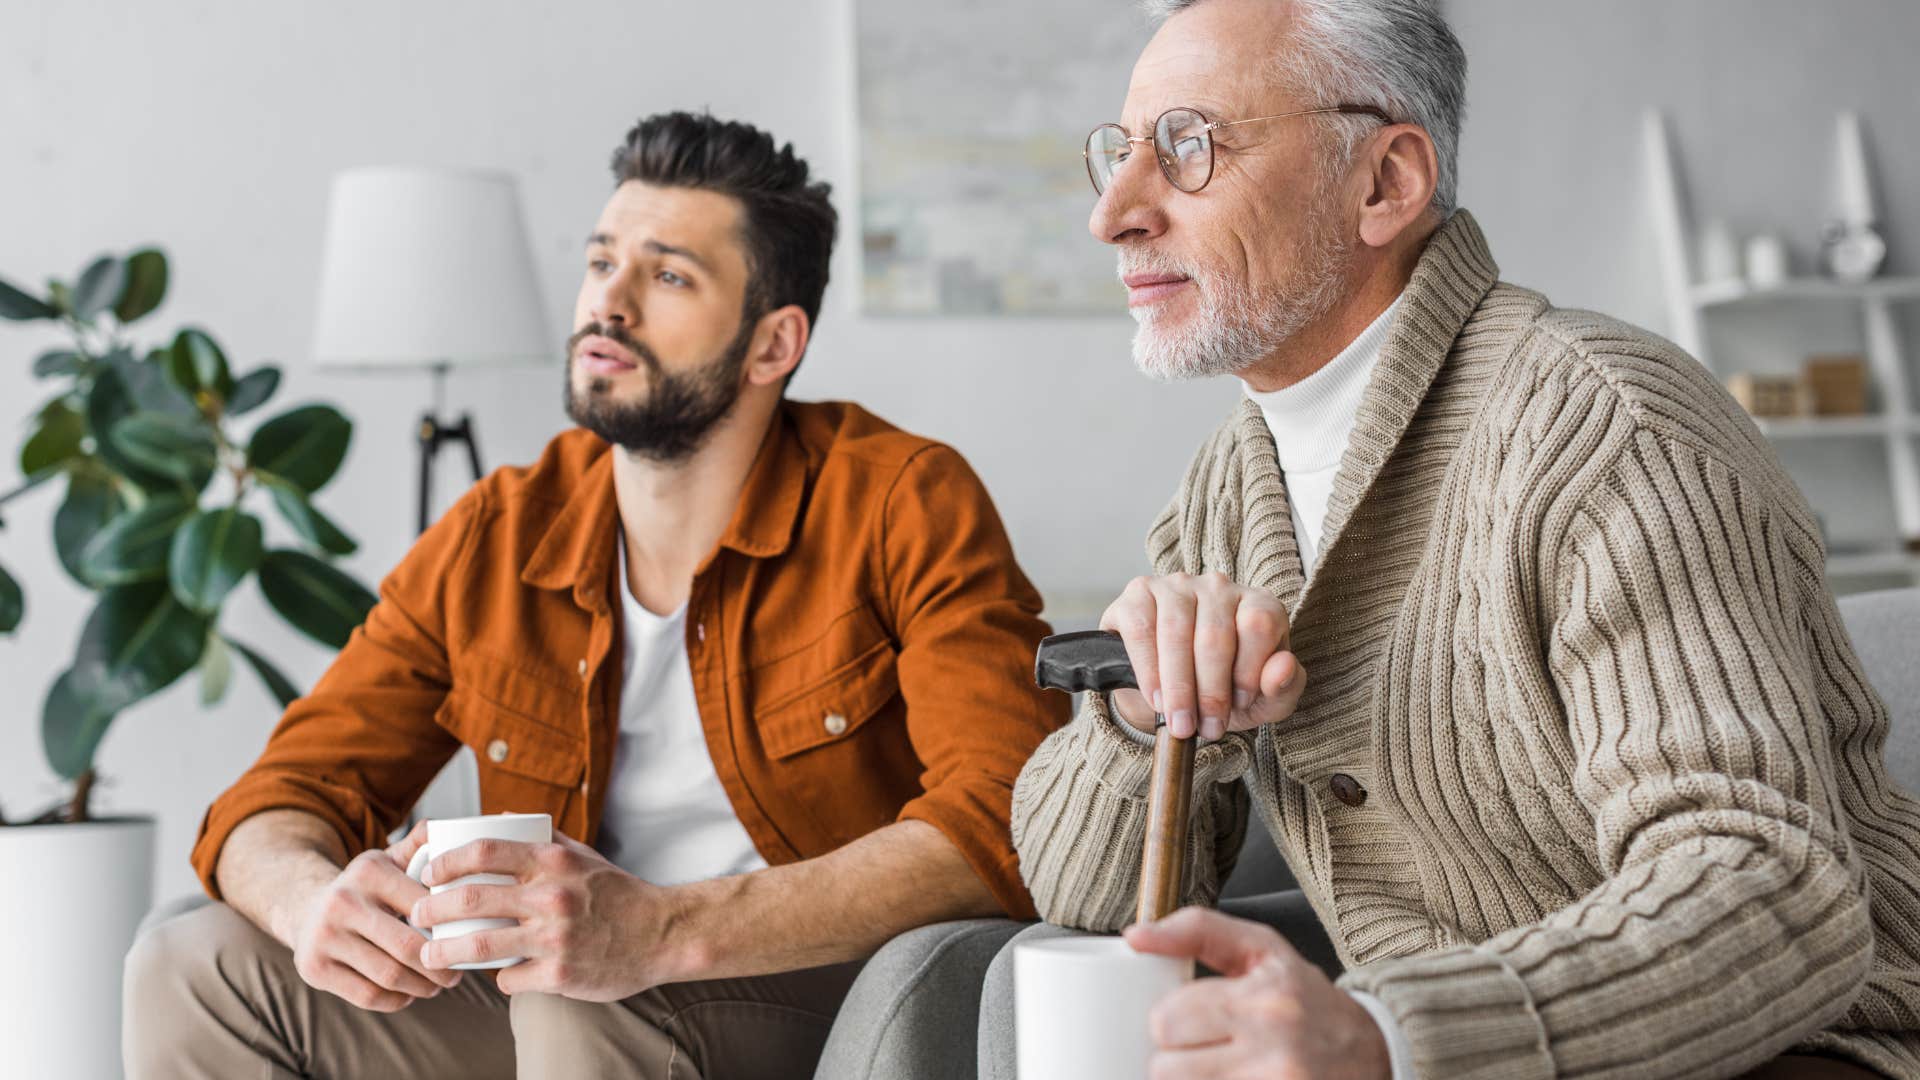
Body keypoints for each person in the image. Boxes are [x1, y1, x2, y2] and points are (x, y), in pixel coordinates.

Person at [1006, 1, 1920, 1077]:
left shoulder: (1606, 425)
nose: (1114, 214)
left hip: (1805, 1051)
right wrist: (1143, 712)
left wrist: (1394, 1037)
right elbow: (1085, 897)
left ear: (1386, 182)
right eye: (1118, 154)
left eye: (1190, 147)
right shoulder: (1223, 490)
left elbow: (1771, 890)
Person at [124, 110, 1067, 1080]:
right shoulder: (498, 532)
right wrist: (313, 905)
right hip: (561, 997)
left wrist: (660, 931)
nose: (608, 303)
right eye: (600, 261)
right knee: (189, 965)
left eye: (667, 276)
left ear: (772, 344)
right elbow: (278, 799)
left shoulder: (900, 499)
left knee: (577, 1001)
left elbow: (1007, 817)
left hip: (814, 992)